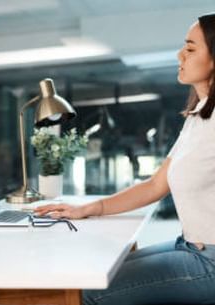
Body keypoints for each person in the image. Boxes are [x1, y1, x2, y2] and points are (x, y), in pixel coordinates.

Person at [35, 13, 215, 305]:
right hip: (191, 246)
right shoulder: (198, 116)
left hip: (210, 262)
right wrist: (91, 208)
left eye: (191, 48)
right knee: (95, 272)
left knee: (91, 294)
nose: (180, 54)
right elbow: (156, 185)